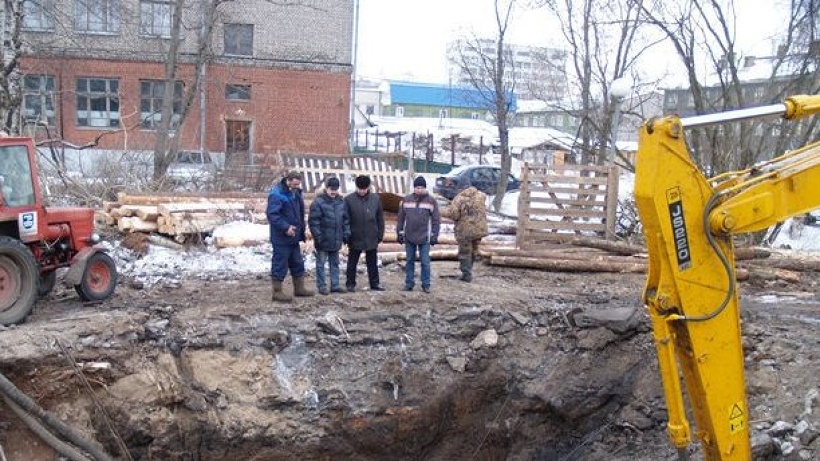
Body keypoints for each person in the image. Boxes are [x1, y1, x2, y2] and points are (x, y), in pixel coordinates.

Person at [267, 171, 314, 301]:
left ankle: (299, 288)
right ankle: (277, 292)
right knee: (280, 263)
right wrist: (285, 227)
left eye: (298, 184)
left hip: (294, 236)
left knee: (297, 263)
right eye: (294, 184)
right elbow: (273, 215)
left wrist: (300, 230)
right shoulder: (277, 194)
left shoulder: (296, 192)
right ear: (288, 180)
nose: (296, 186)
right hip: (281, 237)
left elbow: (299, 212)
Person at [397, 176, 440, 293]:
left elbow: (436, 219)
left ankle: (426, 284)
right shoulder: (406, 200)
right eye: (417, 187)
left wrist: (434, 234)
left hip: (424, 237)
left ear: (425, 188)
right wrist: (399, 232)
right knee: (409, 261)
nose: (419, 190)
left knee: (425, 262)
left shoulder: (431, 201)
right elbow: (401, 218)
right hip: (409, 236)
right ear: (414, 188)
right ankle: (409, 283)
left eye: (421, 188)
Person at [308, 177, 350, 295]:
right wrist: (318, 237)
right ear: (326, 188)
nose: (333, 192)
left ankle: (335, 285)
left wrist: (346, 234)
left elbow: (345, 220)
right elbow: (313, 222)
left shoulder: (341, 202)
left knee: (335, 263)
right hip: (323, 239)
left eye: (336, 189)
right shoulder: (318, 202)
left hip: (336, 239)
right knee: (321, 264)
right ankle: (322, 286)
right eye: (331, 189)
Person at [344, 175, 386, 292]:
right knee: (352, 262)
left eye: (364, 189)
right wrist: (347, 235)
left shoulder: (375, 199)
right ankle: (350, 284)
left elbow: (380, 219)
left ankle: (375, 283)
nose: (362, 191)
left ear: (368, 187)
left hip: (371, 235)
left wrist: (380, 234)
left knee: (372, 262)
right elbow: (345, 219)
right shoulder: (348, 200)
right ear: (356, 187)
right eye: (360, 189)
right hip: (355, 236)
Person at [441, 186, 488, 283]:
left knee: (465, 252)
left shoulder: (459, 199)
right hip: (479, 229)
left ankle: (466, 274)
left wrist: (440, 211)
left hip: (465, 230)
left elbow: (454, 215)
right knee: (474, 250)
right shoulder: (480, 196)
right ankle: (469, 269)